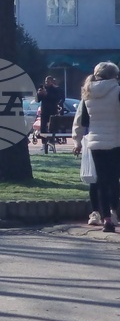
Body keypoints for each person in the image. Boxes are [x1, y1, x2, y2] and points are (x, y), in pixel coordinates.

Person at [72, 62, 120, 233]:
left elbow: (81, 119)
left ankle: (106, 218)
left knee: (101, 180)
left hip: (95, 142)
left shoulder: (88, 92)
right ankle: (115, 213)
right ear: (114, 75)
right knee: (114, 180)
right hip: (115, 140)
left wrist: (77, 140)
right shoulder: (117, 91)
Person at [37, 75, 65, 153]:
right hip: (44, 111)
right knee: (43, 128)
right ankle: (43, 144)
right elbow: (37, 100)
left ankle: (51, 144)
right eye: (46, 81)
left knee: (52, 128)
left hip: (52, 111)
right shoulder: (43, 89)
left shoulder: (56, 89)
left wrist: (47, 94)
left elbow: (57, 98)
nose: (47, 83)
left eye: (48, 81)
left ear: (52, 82)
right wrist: (39, 94)